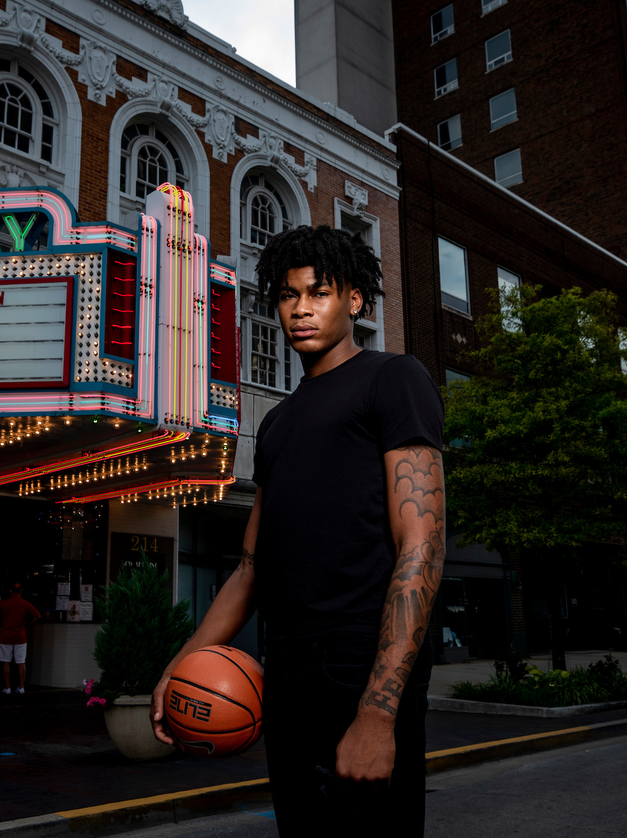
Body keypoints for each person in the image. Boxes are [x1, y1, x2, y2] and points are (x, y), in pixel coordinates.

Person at [151, 225, 445, 836]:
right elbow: (251, 568)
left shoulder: (393, 378)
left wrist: (377, 713)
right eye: (288, 295)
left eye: (320, 292)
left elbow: (421, 547)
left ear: (356, 300)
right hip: (284, 670)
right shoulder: (279, 424)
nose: (302, 309)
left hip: (359, 663)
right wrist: (180, 665)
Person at [0, 582, 41, 695]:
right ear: (21, 591)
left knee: (6, 662)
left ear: (10, 591)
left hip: (5, 635)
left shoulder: (4, 603)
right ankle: (21, 686)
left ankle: (7, 687)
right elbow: (37, 616)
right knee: (21, 662)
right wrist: (27, 623)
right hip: (20, 636)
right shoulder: (25, 604)